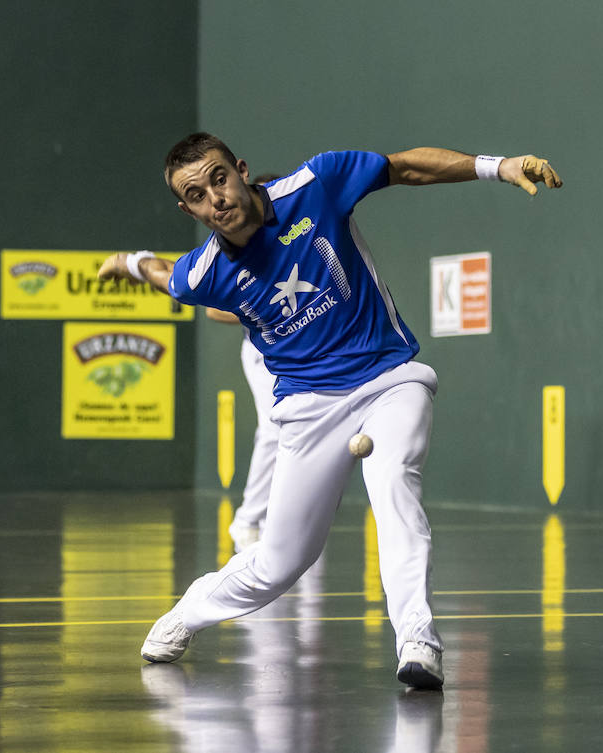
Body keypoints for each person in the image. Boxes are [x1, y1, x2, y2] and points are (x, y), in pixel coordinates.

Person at [99, 133, 562, 688]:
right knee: (278, 564)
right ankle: (185, 614)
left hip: (389, 379)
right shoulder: (204, 273)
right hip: (308, 409)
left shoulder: (317, 185)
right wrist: (134, 262)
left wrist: (499, 165)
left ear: (241, 170)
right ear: (188, 209)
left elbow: (406, 168)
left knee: (393, 482)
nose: (215, 198)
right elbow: (167, 278)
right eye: (196, 195)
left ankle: (417, 639)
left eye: (219, 178)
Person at [207, 173, 284, 554]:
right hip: (260, 352)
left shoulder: (293, 241)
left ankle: (276, 520)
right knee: (273, 428)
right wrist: (261, 313)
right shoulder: (234, 247)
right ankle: (247, 520)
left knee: (300, 432)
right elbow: (212, 311)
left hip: (298, 352)